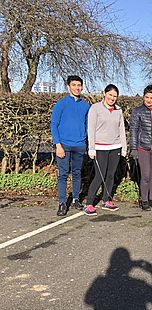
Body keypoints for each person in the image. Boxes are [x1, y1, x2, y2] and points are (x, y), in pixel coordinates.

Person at [84, 84, 127, 216]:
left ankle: (106, 200)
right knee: (99, 175)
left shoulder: (118, 110)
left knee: (110, 175)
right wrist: (91, 148)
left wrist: (124, 148)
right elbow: (90, 129)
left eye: (115, 96)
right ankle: (89, 203)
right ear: (104, 94)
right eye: (110, 95)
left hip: (115, 147)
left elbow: (121, 130)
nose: (112, 98)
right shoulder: (95, 108)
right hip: (100, 147)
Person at [50, 75, 90, 216]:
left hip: (79, 145)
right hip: (64, 145)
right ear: (68, 87)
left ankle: (75, 200)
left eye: (79, 85)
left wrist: (85, 142)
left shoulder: (86, 106)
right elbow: (54, 125)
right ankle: (62, 203)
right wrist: (58, 145)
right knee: (63, 175)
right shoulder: (60, 104)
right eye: (74, 85)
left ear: (82, 87)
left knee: (77, 173)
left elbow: (87, 126)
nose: (77, 88)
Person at [129, 84, 152, 211]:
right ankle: (144, 200)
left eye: (151, 98)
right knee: (145, 175)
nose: (149, 100)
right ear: (143, 97)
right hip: (142, 147)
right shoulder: (137, 111)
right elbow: (133, 130)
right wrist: (133, 148)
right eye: (147, 97)